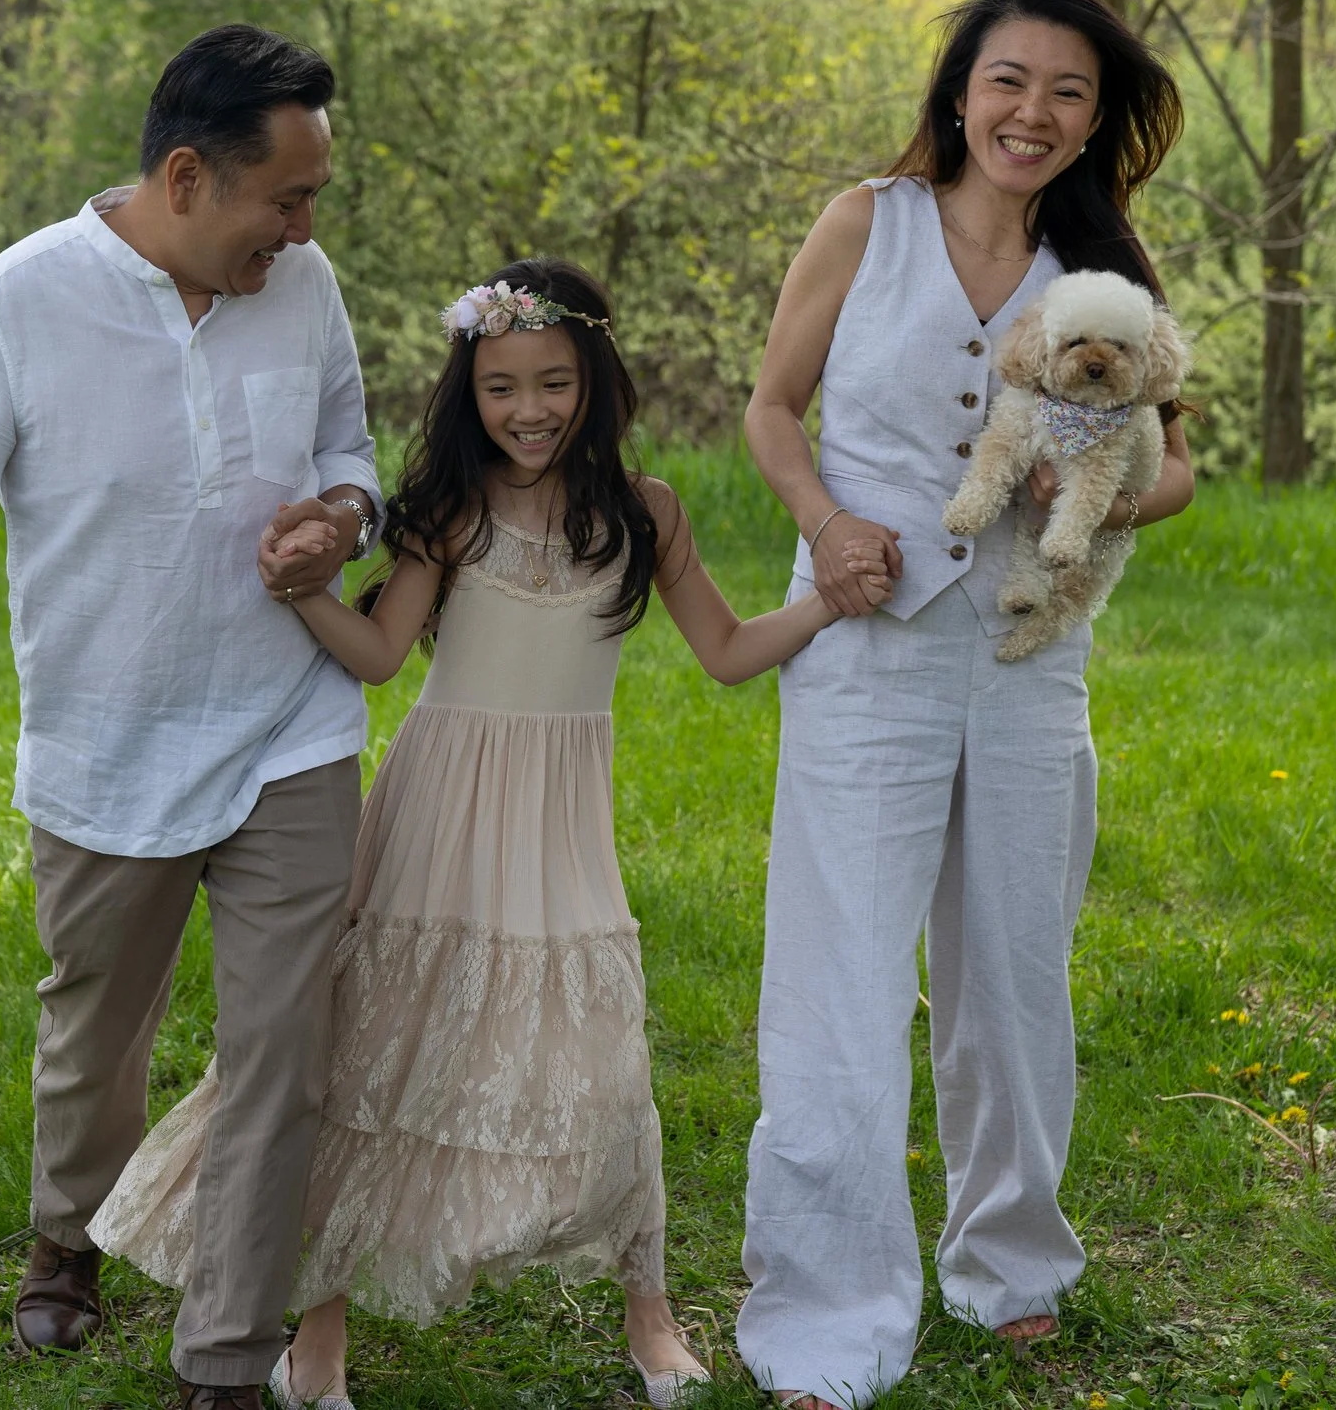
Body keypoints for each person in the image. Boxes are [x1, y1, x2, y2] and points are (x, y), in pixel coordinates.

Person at [91, 260, 895, 1410]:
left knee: (606, 1064)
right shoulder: (447, 514)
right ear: (469, 393)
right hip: (437, 801)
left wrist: (827, 596)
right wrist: (302, 590)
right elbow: (376, 659)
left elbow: (723, 650)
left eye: (554, 382)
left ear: (595, 382)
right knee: (373, 1050)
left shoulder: (644, 510)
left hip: (560, 811)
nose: (529, 409)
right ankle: (315, 1334)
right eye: (502, 386)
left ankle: (649, 1313)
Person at [0, 23, 386, 1410]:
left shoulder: (304, 282)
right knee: (97, 1025)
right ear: (192, 176)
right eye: (290, 195)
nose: (307, 224)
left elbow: (349, 447)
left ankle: (222, 1350)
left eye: (315, 196)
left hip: (292, 727)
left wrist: (339, 519)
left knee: (287, 1044)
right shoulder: (11, 309)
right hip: (109, 741)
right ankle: (69, 1232)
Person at [735, 0, 1193, 1408]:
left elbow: (1176, 465)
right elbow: (768, 408)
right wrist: (823, 523)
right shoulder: (863, 221)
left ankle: (1012, 1264)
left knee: (1011, 970)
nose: (1033, 112)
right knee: (840, 979)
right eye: (1009, 81)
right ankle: (826, 1310)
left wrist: (1103, 498)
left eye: (1067, 91)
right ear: (958, 88)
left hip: (1025, 655)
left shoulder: (1103, 264)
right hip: (869, 646)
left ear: (1094, 119)